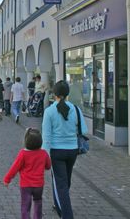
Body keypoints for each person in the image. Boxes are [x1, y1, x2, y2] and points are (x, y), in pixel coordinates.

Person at [42, 80, 88, 219]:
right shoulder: (76, 109)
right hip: (72, 150)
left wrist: (45, 154)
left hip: (56, 151)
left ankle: (67, 214)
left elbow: (47, 136)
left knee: (60, 183)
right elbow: (83, 130)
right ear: (67, 93)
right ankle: (59, 204)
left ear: (54, 93)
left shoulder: (49, 111)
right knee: (66, 180)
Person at [4, 128, 51, 219]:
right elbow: (48, 166)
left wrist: (7, 179)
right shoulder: (43, 153)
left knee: (25, 206)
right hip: (38, 185)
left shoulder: (23, 154)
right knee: (38, 203)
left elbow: (15, 168)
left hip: (26, 185)